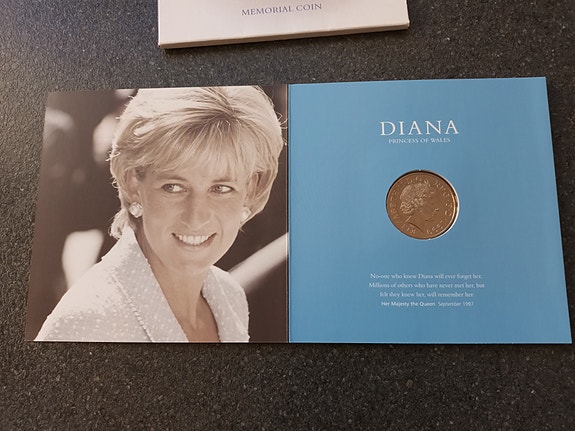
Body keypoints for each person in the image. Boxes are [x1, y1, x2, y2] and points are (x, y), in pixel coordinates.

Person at [35, 86, 285, 342]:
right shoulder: (89, 322)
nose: (196, 217)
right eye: (174, 187)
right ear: (133, 185)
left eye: (221, 189)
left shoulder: (230, 296)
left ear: (250, 191)